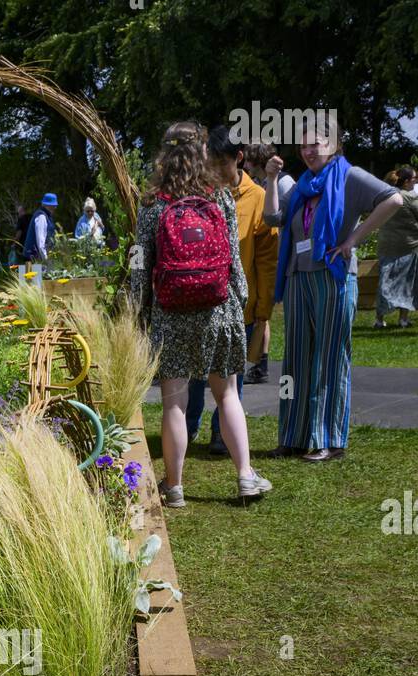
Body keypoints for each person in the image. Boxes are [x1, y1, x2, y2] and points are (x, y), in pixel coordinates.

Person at [130, 120, 271, 507]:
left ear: (164, 155)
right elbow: (235, 266)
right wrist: (236, 302)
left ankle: (174, 487)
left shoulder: (153, 205)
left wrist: (139, 312)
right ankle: (245, 476)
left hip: (172, 312)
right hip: (218, 308)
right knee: (227, 395)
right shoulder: (221, 197)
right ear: (202, 152)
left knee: (174, 401)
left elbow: (140, 264)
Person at [264, 115, 401, 461]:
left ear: (334, 145)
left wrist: (353, 239)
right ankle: (292, 435)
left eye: (317, 144)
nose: (309, 150)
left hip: (333, 276)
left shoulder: (349, 176)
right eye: (304, 144)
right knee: (294, 359)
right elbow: (271, 219)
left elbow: (393, 200)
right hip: (298, 277)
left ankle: (327, 438)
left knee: (329, 357)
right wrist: (270, 178)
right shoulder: (304, 185)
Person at [186, 126, 279, 454]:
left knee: (231, 377)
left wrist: (263, 307)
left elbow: (267, 260)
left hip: (240, 304)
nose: (214, 172)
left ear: (239, 159)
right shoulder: (201, 193)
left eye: (220, 164)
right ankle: (187, 427)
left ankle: (220, 433)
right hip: (201, 301)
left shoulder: (258, 199)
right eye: (209, 164)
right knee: (197, 372)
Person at [242, 142, 296, 382]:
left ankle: (261, 363)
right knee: (262, 310)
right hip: (270, 252)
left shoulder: (283, 183)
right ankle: (259, 361)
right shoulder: (261, 184)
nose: (244, 166)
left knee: (265, 309)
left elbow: (286, 219)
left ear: (257, 160)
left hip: (279, 254)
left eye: (248, 161)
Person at [373, 167, 418, 329]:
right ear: (407, 181)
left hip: (386, 246)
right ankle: (403, 319)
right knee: (408, 283)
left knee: (385, 283)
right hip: (408, 246)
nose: (417, 180)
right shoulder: (409, 197)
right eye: (415, 178)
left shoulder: (384, 195)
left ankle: (379, 319)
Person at [22, 193, 58, 264]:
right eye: (53, 205)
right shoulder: (41, 217)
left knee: (42, 275)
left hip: (38, 257)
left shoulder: (47, 216)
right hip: (32, 258)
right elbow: (40, 241)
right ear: (47, 205)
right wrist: (46, 259)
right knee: (31, 275)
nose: (55, 207)